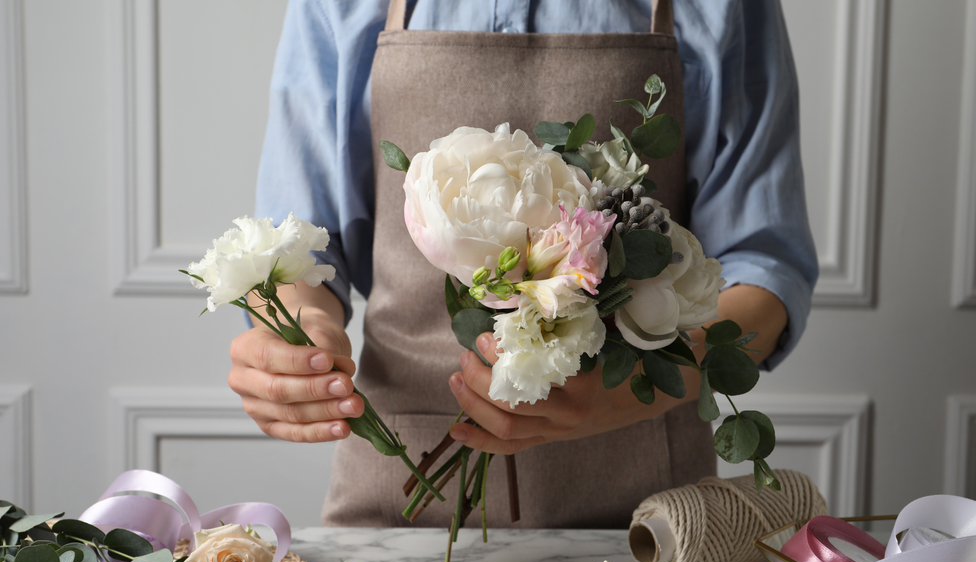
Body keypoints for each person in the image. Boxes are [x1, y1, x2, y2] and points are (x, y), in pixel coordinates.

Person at [228, 0, 818, 528]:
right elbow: (297, 249)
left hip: (647, 519)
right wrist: (303, 337)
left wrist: (633, 389)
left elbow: (763, 270)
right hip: (396, 499)